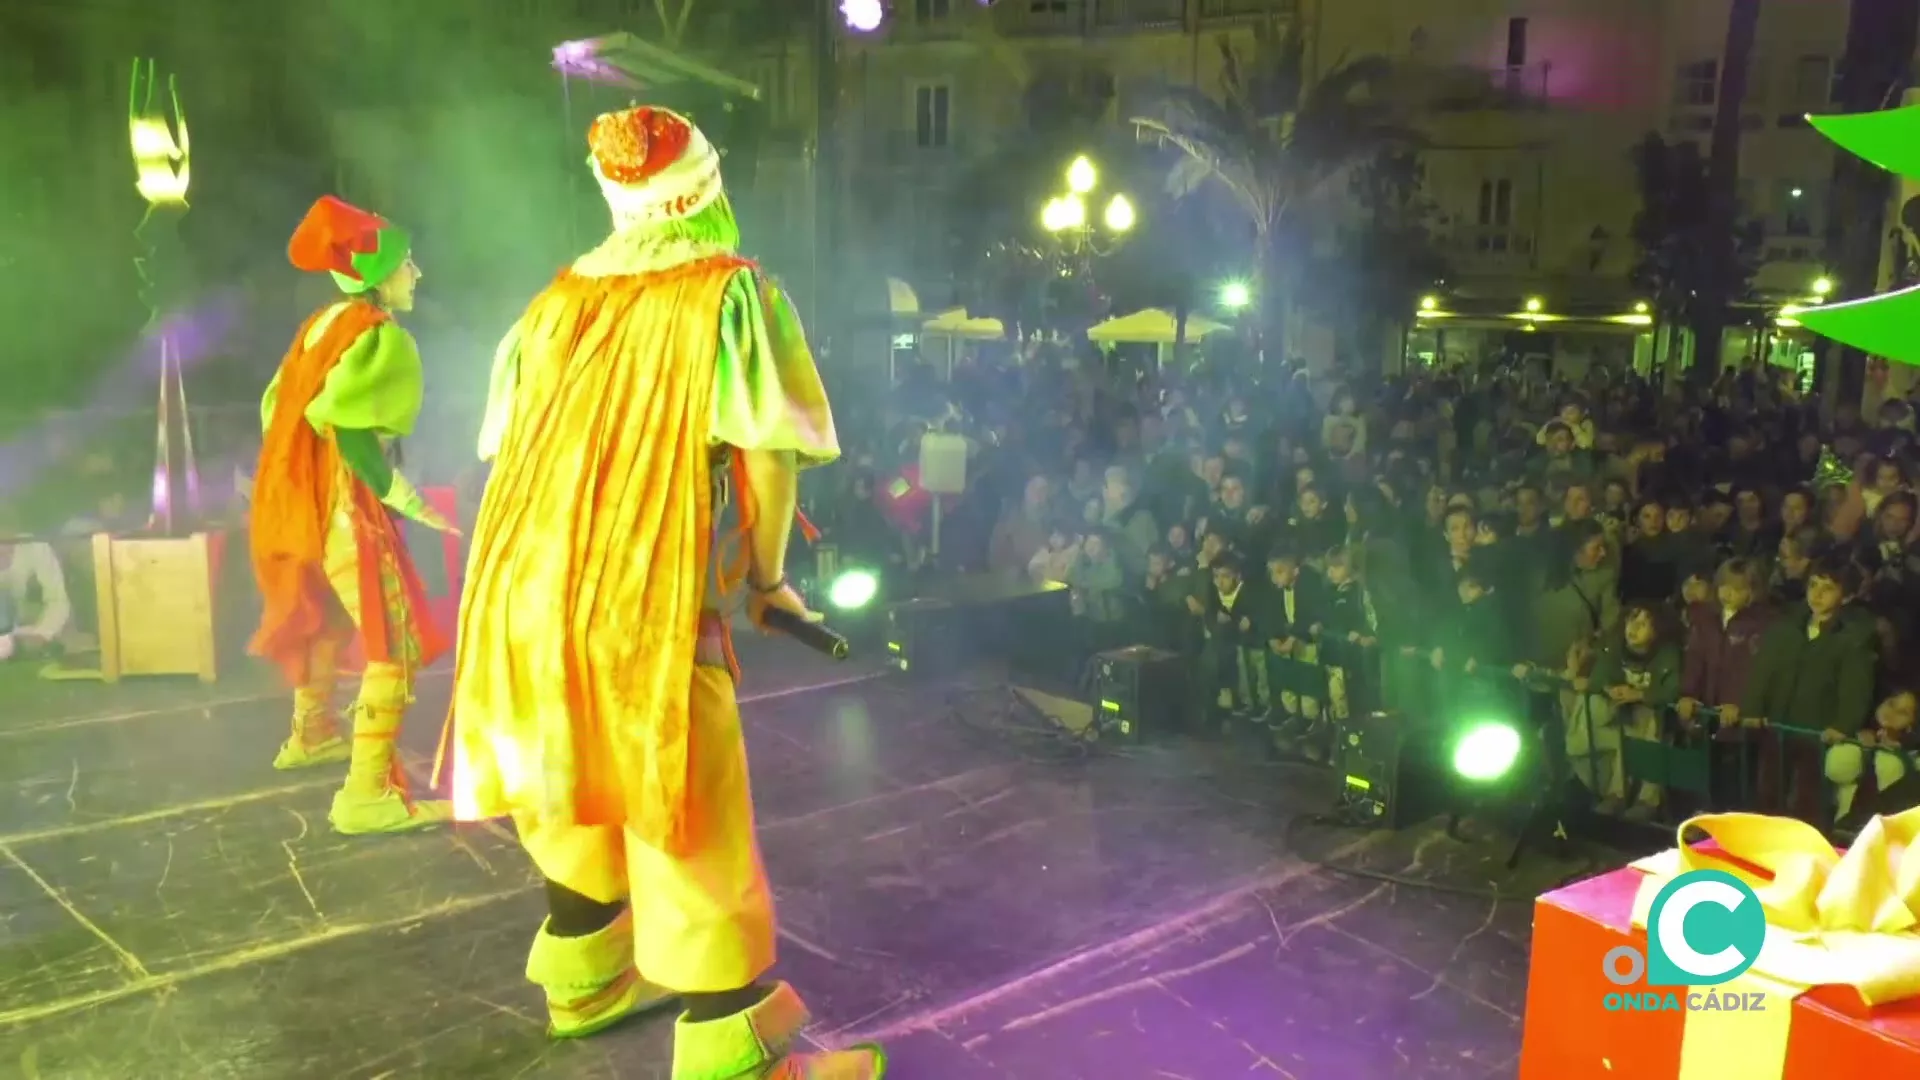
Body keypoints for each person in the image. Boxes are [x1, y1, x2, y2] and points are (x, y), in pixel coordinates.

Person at [437, 107, 884, 1077]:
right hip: (636, 587)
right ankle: (734, 1047)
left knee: (567, 779)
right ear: (708, 193)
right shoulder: (730, 295)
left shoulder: (548, 305)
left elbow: (503, 446)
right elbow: (767, 450)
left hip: (517, 577)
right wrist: (767, 580)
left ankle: (587, 981)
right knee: (680, 796)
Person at [249, 195, 457, 836]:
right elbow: (353, 432)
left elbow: (275, 411)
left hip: (292, 499)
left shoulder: (320, 324)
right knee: (389, 637)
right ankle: (366, 793)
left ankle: (312, 732)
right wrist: (409, 500)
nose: (416, 275)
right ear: (377, 275)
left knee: (326, 613)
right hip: (341, 501)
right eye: (408, 265)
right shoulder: (375, 334)